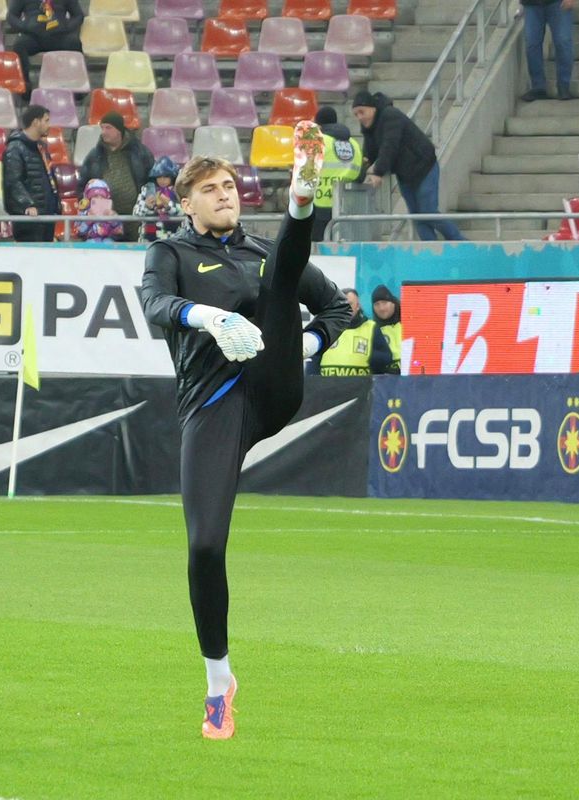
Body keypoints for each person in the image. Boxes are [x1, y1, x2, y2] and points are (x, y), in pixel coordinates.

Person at [139, 127, 350, 740]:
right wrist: (205, 315)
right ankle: (219, 682)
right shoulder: (170, 253)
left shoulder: (261, 250)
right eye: (210, 189)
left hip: (273, 383)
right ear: (187, 204)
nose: (225, 194)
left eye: (229, 185)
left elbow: (338, 308)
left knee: (281, 274)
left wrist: (306, 343)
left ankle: (303, 193)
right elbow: (154, 305)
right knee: (205, 546)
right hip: (214, 402)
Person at [352, 90, 466, 241]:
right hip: (404, 173)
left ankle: (460, 242)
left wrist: (378, 172)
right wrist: (360, 174)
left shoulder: (390, 115)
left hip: (424, 166)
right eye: (356, 114)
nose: (359, 117)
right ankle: (431, 248)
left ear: (372, 108)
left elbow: (390, 146)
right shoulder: (368, 128)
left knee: (427, 212)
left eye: (362, 112)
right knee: (416, 217)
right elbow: (368, 154)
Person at [79, 111, 154, 241]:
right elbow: (82, 186)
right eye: (102, 128)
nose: (103, 132)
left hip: (135, 220)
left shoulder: (140, 152)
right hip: (105, 224)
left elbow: (152, 178)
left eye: (108, 128)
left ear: (119, 130)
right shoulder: (94, 156)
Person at [3, 104, 58, 243]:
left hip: (46, 215)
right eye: (46, 120)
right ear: (36, 122)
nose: (49, 125)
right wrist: (27, 204)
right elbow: (13, 181)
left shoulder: (41, 147)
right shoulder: (14, 149)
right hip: (29, 218)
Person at [8, 0, 84, 96]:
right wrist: (25, 26)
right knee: (19, 45)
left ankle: (76, 85)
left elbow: (78, 15)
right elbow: (11, 16)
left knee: (75, 43)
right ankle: (25, 85)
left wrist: (66, 26)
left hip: (59, 35)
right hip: (33, 36)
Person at [309, 288, 392, 376]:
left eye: (350, 304)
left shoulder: (371, 327)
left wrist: (370, 356)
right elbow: (314, 359)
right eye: (342, 304)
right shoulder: (326, 326)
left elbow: (386, 357)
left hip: (360, 384)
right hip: (328, 384)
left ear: (358, 306)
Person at [310, 105, 363, 242]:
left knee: (317, 248)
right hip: (347, 205)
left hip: (319, 204)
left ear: (318, 125)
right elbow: (360, 174)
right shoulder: (354, 144)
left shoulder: (318, 141)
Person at [520, 0, 575, 101]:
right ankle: (538, 87)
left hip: (558, 3)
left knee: (563, 42)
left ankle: (564, 86)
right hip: (531, 4)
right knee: (532, 44)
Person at [133, 156, 183, 242]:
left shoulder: (179, 191)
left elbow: (185, 212)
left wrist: (169, 206)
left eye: (166, 177)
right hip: (149, 238)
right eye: (159, 177)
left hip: (172, 238)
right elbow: (136, 213)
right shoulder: (147, 190)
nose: (162, 180)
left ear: (172, 177)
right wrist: (147, 206)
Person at [371, 284, 401, 374]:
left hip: (413, 378)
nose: (381, 308)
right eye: (377, 304)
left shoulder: (409, 324)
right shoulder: (372, 330)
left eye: (384, 303)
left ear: (393, 303)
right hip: (386, 379)